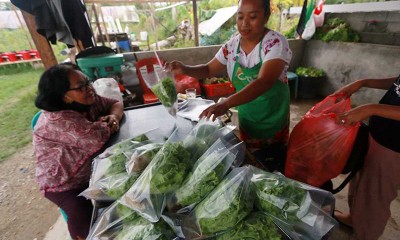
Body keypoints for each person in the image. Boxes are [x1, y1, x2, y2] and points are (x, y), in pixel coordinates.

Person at [167, 0, 292, 171]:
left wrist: (225, 104)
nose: (244, 23)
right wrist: (184, 68)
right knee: (253, 162)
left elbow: (264, 82)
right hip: (248, 117)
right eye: (240, 17)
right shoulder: (232, 46)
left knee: (273, 164)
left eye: (253, 17)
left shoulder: (276, 43)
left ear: (266, 17)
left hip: (273, 119)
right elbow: (209, 69)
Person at [33, 64, 124, 240]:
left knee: (117, 206)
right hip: (63, 184)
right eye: (80, 86)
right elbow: (96, 138)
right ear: (64, 96)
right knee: (86, 221)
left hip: (92, 170)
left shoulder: (88, 100)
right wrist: (103, 125)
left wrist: (113, 117)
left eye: (87, 82)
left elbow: (116, 103)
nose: (89, 88)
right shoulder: (58, 119)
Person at [333, 75, 400, 240]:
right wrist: (364, 82)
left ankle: (365, 235)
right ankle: (354, 219)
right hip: (379, 133)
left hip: (394, 146)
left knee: (375, 193)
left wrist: (369, 109)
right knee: (360, 181)